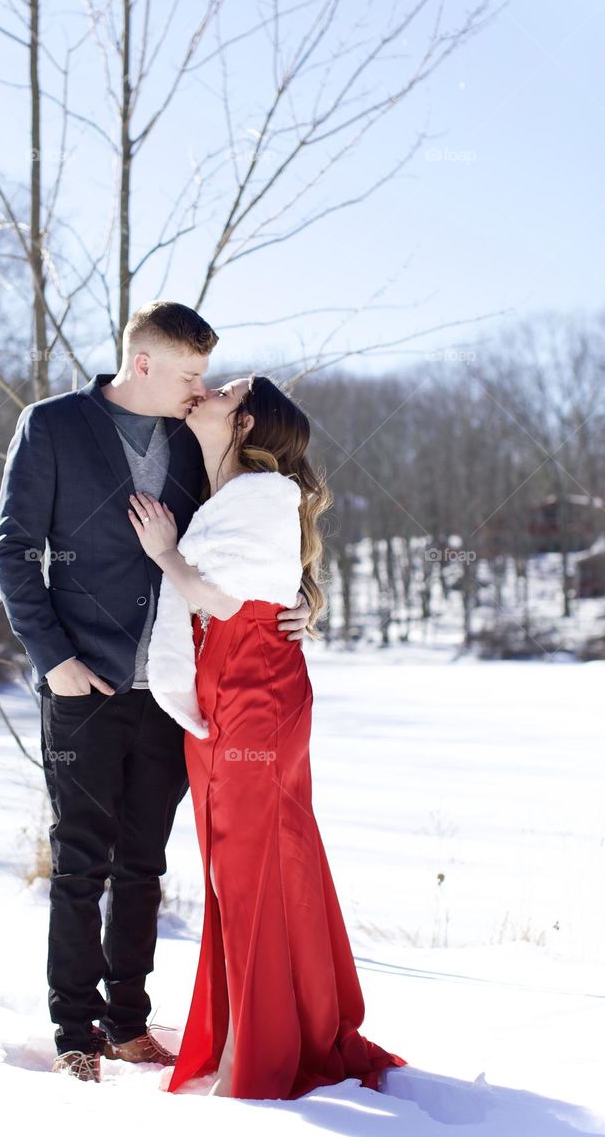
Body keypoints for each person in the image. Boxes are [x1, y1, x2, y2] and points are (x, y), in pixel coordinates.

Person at [0, 304, 311, 1083]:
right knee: (80, 862)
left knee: (143, 863)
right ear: (144, 364)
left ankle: (128, 1024)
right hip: (84, 683)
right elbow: (12, 552)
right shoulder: (53, 426)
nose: (201, 388)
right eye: (190, 373)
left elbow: (249, 529)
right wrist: (55, 660)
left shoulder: (192, 435)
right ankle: (75, 1032)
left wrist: (302, 596)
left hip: (173, 691)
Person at [130, 373, 408, 1100]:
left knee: (251, 867)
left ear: (246, 422)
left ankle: (259, 1050)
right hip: (229, 690)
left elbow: (224, 601)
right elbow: (259, 587)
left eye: (225, 391)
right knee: (246, 866)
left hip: (255, 692)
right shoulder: (230, 493)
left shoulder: (263, 495)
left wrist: (165, 553)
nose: (208, 392)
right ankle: (268, 1028)